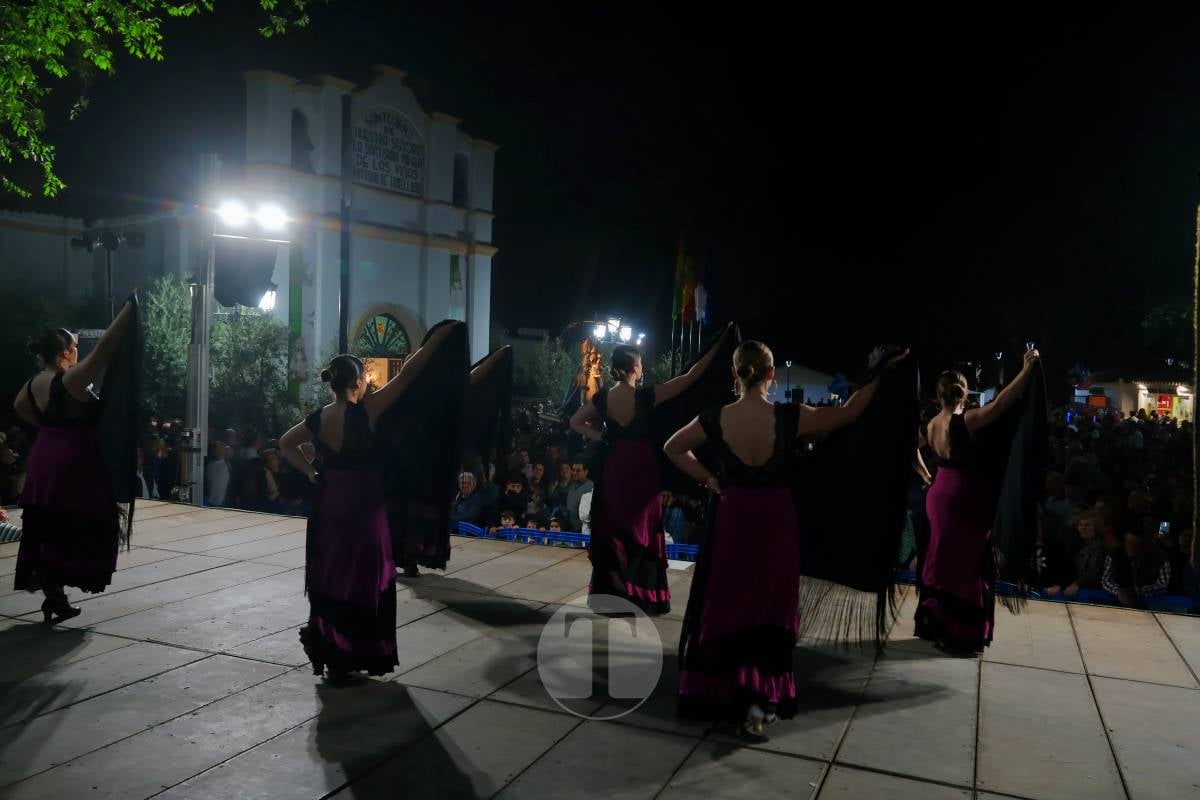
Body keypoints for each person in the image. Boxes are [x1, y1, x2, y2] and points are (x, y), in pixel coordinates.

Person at [666, 340, 895, 740]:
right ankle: (756, 706)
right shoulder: (791, 417)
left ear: (734, 374)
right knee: (768, 606)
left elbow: (672, 447)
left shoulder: (715, 418)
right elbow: (850, 413)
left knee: (729, 602)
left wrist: (708, 478)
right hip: (775, 517)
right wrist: (882, 370)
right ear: (772, 374)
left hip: (733, 515)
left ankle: (722, 694)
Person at [278, 322, 461, 681]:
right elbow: (407, 375)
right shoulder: (368, 411)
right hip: (364, 505)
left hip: (331, 501)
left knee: (332, 573)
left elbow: (284, 443)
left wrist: (312, 472)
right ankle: (355, 648)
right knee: (366, 575)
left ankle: (333, 648)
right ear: (357, 381)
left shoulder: (318, 419)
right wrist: (437, 340)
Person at [570, 324, 733, 615]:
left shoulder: (604, 398)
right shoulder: (647, 396)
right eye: (641, 364)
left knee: (613, 527)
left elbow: (575, 422)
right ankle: (641, 596)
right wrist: (718, 345)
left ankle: (610, 596)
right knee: (641, 526)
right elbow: (691, 376)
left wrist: (602, 436)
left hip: (615, 466)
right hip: (642, 468)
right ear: (635, 367)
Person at [12, 297, 138, 623]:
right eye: (75, 346)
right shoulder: (68, 379)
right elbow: (104, 352)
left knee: (46, 525)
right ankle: (57, 592)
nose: (79, 351)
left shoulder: (31, 385)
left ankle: (55, 596)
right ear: (66, 352)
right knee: (74, 525)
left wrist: (52, 431)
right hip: (73, 465)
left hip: (44, 460)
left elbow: (21, 410)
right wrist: (128, 311)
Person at [915, 348, 1040, 654]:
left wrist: (925, 476)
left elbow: (909, 448)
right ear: (963, 392)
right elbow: (1001, 404)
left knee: (940, 558)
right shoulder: (966, 421)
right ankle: (959, 631)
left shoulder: (931, 424)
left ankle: (936, 623)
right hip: (963, 496)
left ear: (939, 394)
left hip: (938, 492)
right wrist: (1026, 371)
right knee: (966, 563)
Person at [565, 462, 592, 532]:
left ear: (586, 472)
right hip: (570, 528)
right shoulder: (572, 486)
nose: (574, 472)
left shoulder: (590, 487)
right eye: (573, 470)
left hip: (583, 530)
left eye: (578, 470)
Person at [205, 440, 231, 507]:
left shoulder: (229, 465)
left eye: (220, 449)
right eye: (215, 449)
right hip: (208, 504)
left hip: (224, 505)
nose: (218, 451)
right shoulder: (206, 466)